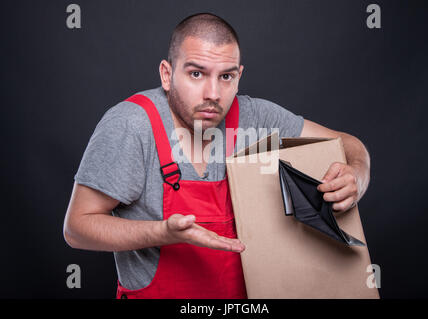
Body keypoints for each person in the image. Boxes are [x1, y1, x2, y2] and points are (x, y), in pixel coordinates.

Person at [63, 13, 371, 299]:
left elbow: (347, 142)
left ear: (239, 75)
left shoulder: (256, 117)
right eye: (197, 73)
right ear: (167, 74)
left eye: (226, 77)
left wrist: (357, 172)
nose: (213, 93)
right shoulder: (131, 125)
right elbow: (77, 229)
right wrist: (163, 232)